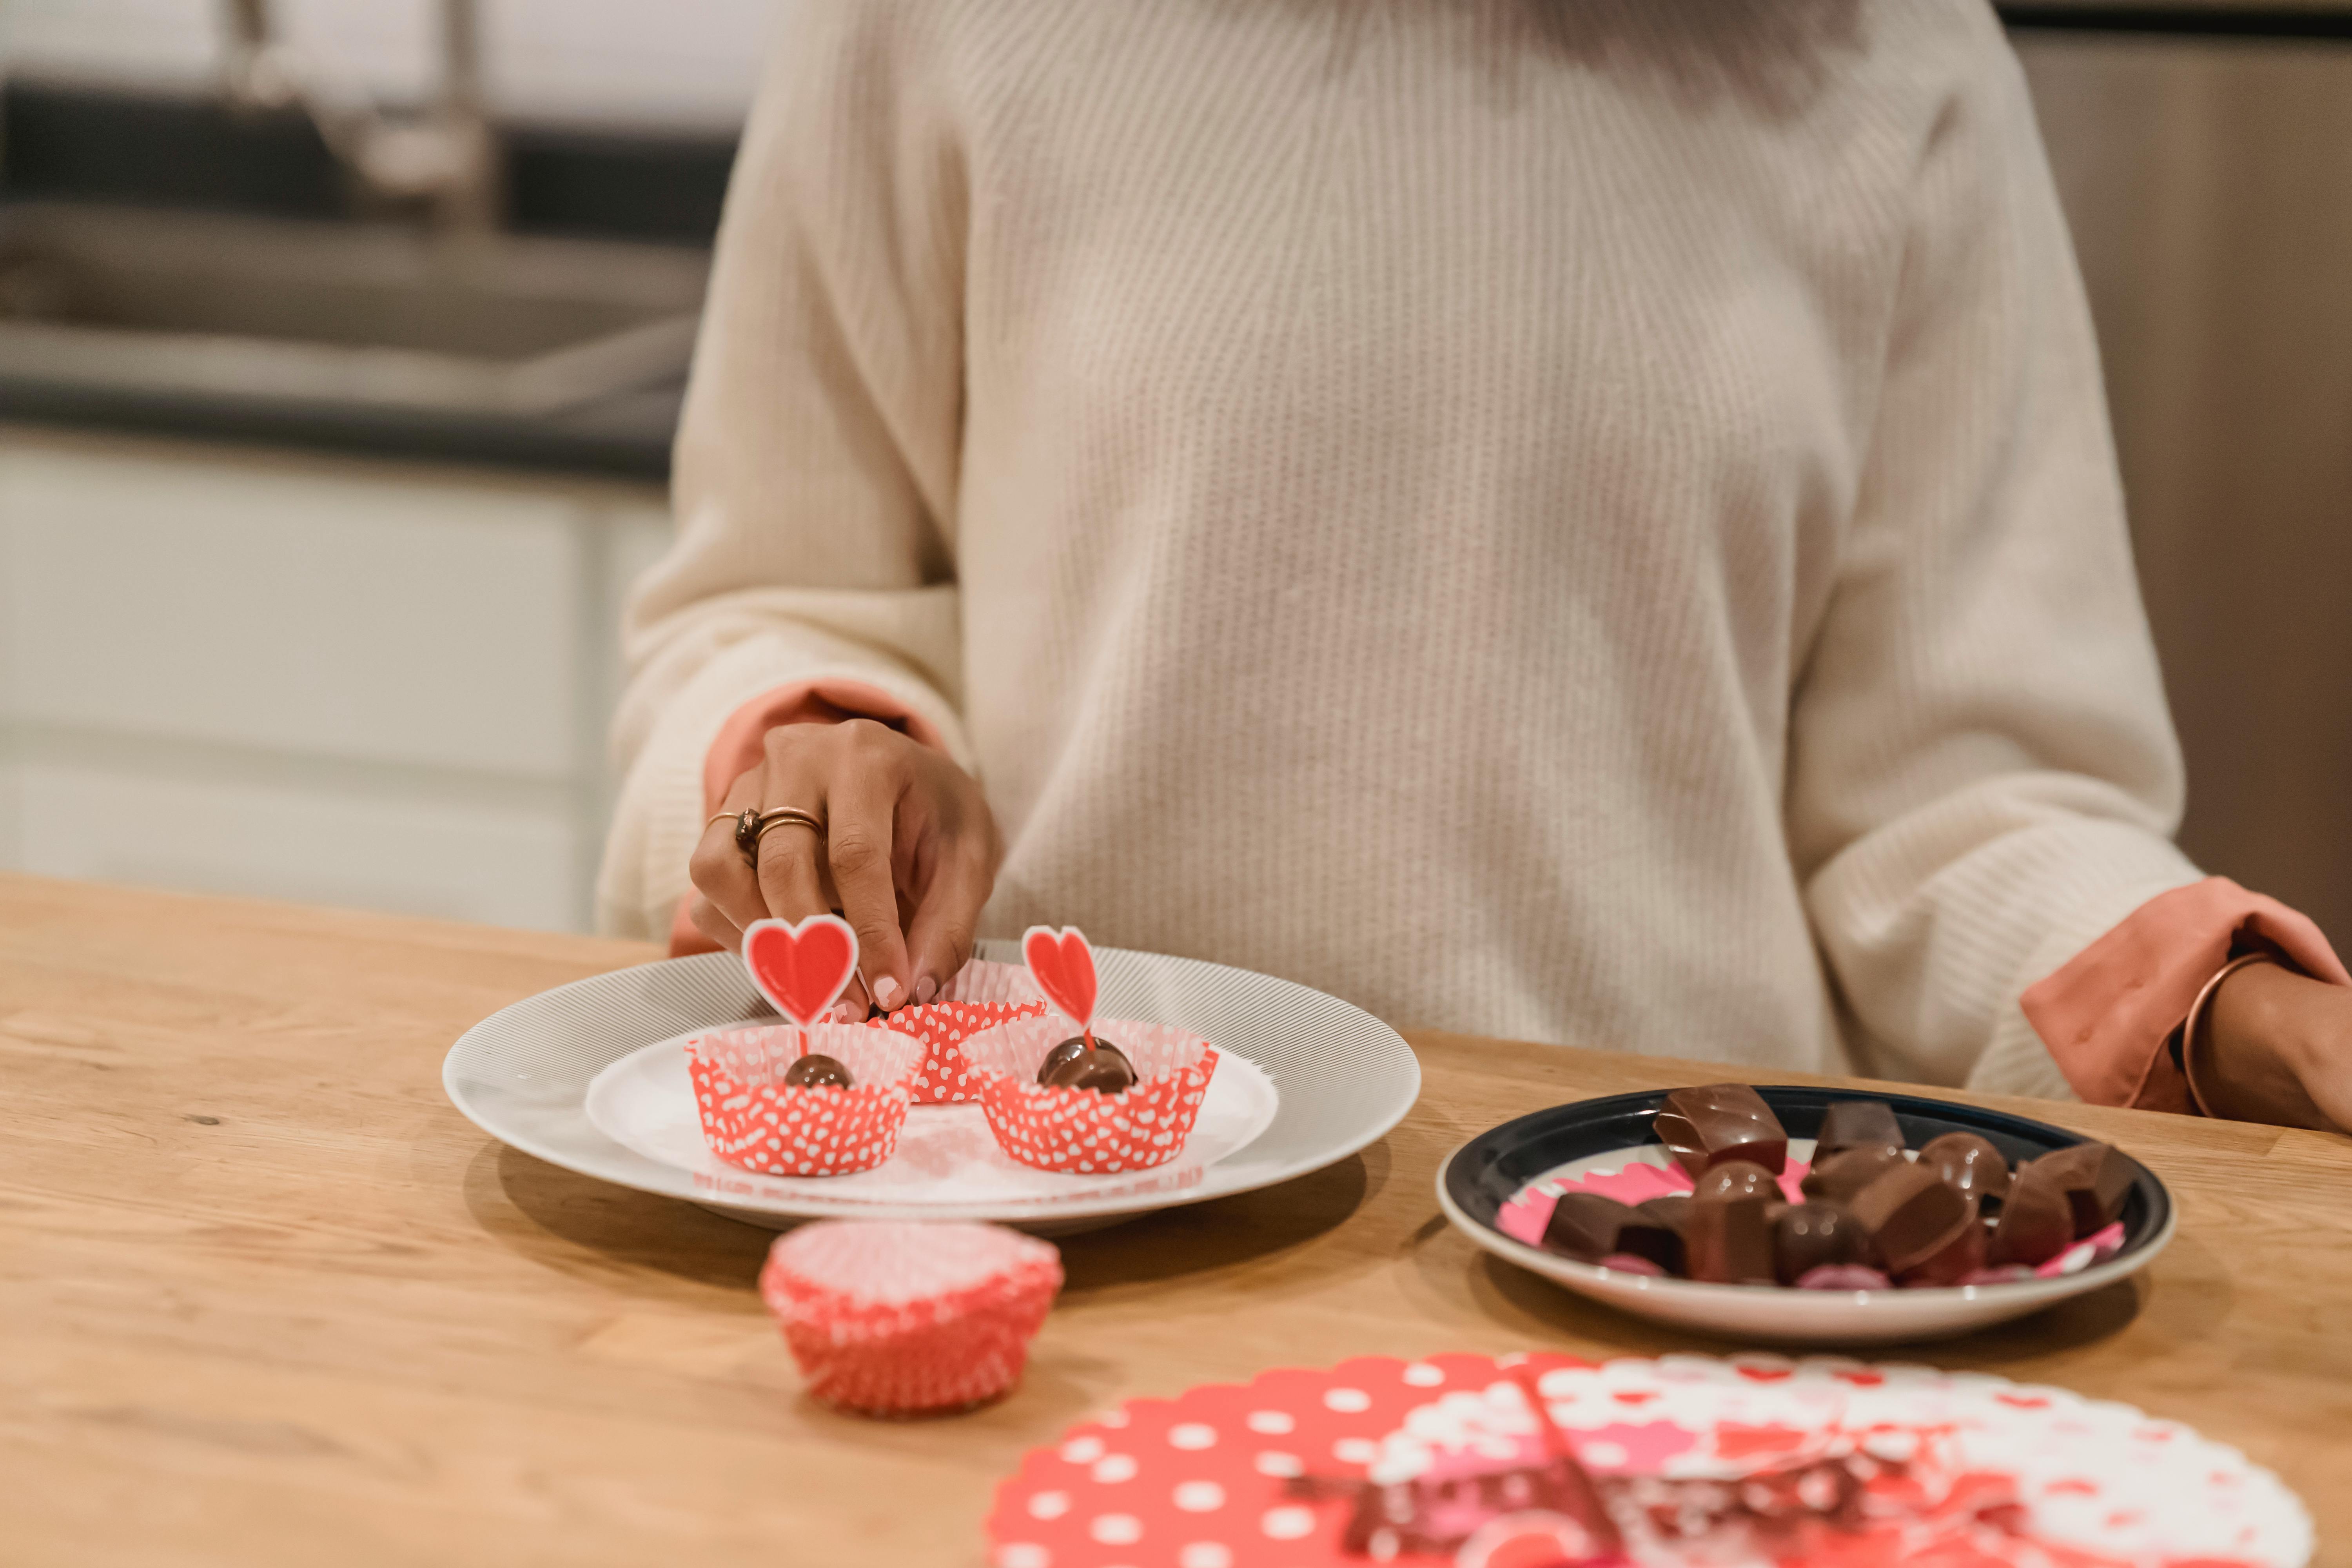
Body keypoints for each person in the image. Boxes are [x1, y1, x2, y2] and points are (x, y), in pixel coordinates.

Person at [600, 0, 2352, 1130]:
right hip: (1051, 1207)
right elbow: (770, 595)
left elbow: (1966, 799)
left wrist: (2221, 1006)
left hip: (1671, 1254)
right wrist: (820, 756)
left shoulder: (1904, 62)